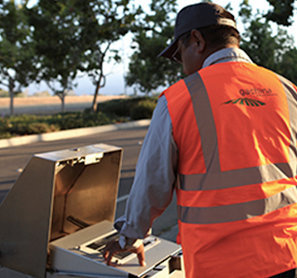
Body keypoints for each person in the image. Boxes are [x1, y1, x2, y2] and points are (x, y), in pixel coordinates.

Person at [103, 2, 297, 277]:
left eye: (179, 54)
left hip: (219, 264)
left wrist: (130, 236)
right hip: (286, 256)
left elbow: (151, 184)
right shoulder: (285, 89)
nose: (182, 66)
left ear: (197, 40)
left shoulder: (179, 99)